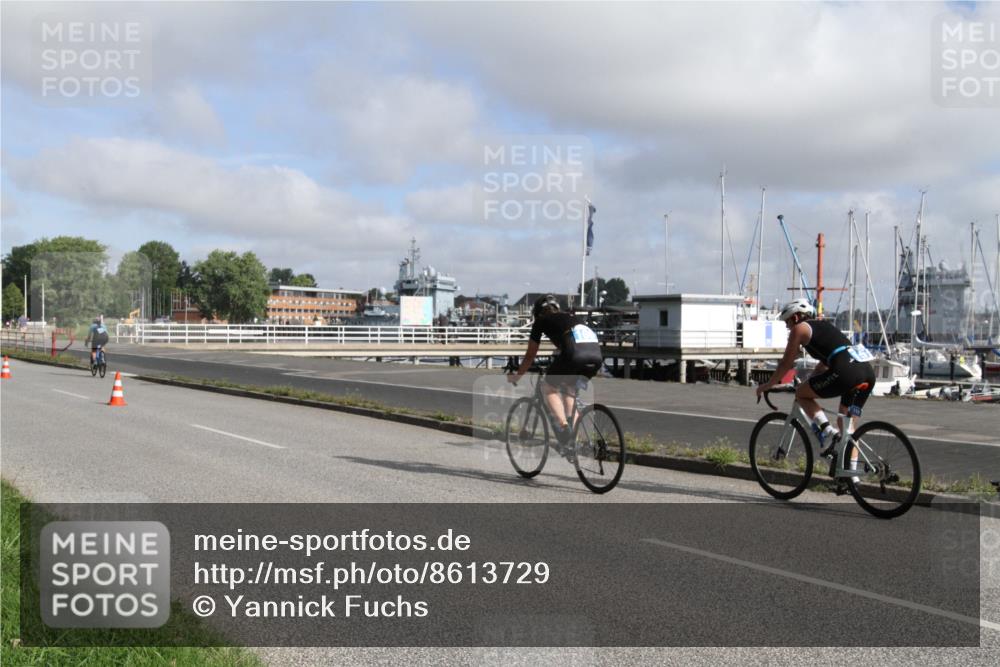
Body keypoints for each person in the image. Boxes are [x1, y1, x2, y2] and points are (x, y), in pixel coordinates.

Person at [756, 298, 876, 455]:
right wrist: (809, 381)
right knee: (847, 427)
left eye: (787, 322)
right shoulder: (824, 326)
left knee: (801, 395)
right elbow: (824, 364)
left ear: (796, 317)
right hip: (866, 372)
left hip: (846, 372)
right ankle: (851, 475)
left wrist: (768, 384)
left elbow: (786, 363)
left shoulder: (800, 329)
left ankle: (828, 433)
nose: (787, 327)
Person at [507, 295, 604, 442]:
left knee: (549, 387)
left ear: (538, 312)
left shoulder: (541, 320)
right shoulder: (571, 317)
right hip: (596, 356)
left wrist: (517, 376)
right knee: (569, 390)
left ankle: (564, 427)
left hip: (574, 354)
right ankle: (575, 443)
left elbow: (530, 356)